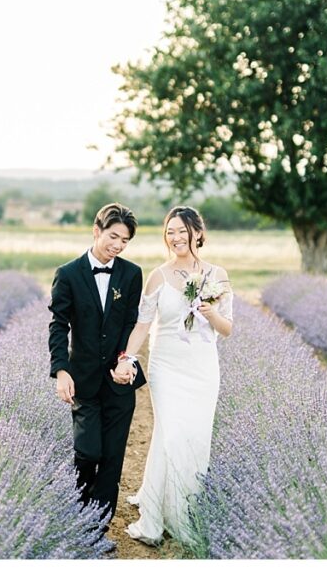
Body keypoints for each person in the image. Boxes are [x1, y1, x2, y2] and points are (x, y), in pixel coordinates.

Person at [119, 205, 234, 547]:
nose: (175, 238)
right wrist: (127, 356)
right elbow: (143, 324)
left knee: (195, 437)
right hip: (165, 366)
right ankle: (157, 517)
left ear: (198, 233)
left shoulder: (218, 275)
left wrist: (211, 313)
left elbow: (226, 329)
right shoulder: (158, 276)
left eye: (182, 231)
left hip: (202, 367)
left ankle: (185, 510)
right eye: (170, 231)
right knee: (171, 434)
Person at [47, 202, 146, 543]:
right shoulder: (69, 274)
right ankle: (78, 514)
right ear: (96, 230)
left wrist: (126, 359)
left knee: (113, 459)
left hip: (120, 380)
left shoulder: (131, 274)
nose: (118, 245)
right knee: (89, 452)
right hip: (83, 380)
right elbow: (58, 325)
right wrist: (61, 371)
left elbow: (132, 322)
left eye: (125, 241)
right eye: (113, 236)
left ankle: (97, 532)